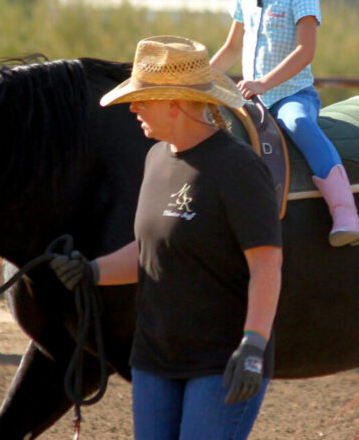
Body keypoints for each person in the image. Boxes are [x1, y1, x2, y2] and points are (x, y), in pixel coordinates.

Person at [51, 35, 283, 440]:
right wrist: (92, 271)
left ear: (174, 103)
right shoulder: (156, 159)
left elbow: (266, 265)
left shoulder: (239, 168)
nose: (133, 108)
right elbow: (153, 251)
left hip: (221, 360)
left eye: (142, 99)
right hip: (154, 360)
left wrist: (253, 346)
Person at [210, 0, 359, 247]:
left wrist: (264, 83)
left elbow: (304, 52)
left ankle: (345, 211)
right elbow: (232, 47)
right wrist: (200, 77)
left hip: (290, 95)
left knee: (299, 124)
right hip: (252, 97)